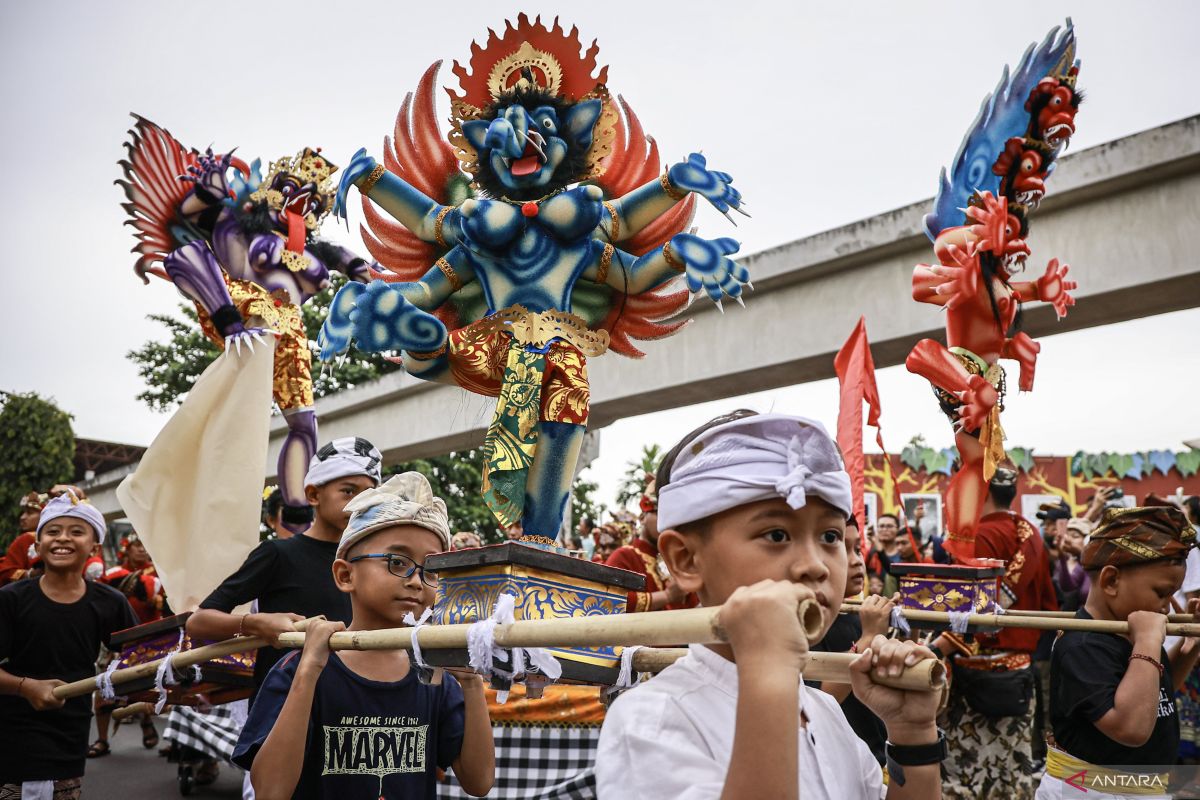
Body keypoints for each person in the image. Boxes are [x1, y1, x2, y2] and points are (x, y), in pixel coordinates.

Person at [597, 412, 944, 799]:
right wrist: (769, 673)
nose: (815, 564)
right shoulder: (652, 720)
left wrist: (914, 739)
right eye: (776, 534)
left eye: (830, 536)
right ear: (686, 560)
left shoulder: (825, 712)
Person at [233, 472, 495, 799]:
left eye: (430, 570)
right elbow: (271, 791)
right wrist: (308, 673)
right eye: (397, 562)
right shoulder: (298, 669)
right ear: (345, 575)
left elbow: (480, 781)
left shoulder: (434, 676)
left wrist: (471, 683)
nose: (416, 580)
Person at [186, 437, 383, 694]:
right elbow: (198, 622)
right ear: (313, 494)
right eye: (348, 491)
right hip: (283, 698)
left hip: (348, 700)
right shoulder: (278, 553)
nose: (359, 503)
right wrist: (255, 623)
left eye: (368, 494)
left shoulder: (370, 559)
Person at [1037, 504, 1200, 799]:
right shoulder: (1083, 645)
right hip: (1091, 791)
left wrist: (1190, 649)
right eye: (1161, 593)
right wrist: (1149, 642)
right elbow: (1132, 728)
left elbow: (1154, 694)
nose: (1166, 606)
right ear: (1111, 581)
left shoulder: (1131, 632)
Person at [0, 492, 137, 799]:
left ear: (95, 546)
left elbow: (140, 654)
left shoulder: (110, 603)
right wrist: (27, 688)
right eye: (53, 531)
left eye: (76, 531)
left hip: (70, 732)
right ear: (37, 545)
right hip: (12, 733)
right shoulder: (11, 599)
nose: (63, 539)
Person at [934, 466, 1058, 799]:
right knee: (1013, 768)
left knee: (965, 773)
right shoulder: (1029, 532)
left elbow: (968, 610)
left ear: (980, 492)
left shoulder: (975, 535)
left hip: (971, 665)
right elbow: (1048, 602)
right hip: (1019, 667)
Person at [808, 516, 892, 765]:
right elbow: (819, 698)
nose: (856, 561)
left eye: (857, 548)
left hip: (877, 755)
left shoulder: (854, 613)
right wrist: (868, 638)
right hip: (839, 760)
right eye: (838, 545)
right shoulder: (808, 618)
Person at [91, 532, 167, 758]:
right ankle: (102, 740)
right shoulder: (113, 574)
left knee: (144, 686)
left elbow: (171, 602)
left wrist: (158, 600)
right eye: (137, 545)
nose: (142, 550)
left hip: (149, 639)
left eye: (145, 545)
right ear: (127, 549)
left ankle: (145, 720)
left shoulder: (160, 572)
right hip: (117, 639)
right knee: (103, 687)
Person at [604, 478, 691, 612]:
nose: (666, 522)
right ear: (642, 518)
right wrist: (667, 596)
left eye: (672, 516)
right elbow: (608, 601)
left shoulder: (676, 559)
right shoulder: (624, 556)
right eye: (659, 513)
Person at [0, 492, 44, 585]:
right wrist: (31, 574)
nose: (22, 517)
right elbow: (6, 573)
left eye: (29, 513)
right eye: (23, 512)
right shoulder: (25, 539)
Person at [1053, 517, 1093, 611]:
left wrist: (1081, 553)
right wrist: (1061, 556)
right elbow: (1068, 587)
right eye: (1067, 535)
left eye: (1075, 536)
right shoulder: (1080, 565)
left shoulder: (1099, 563)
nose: (1069, 540)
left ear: (1088, 540)